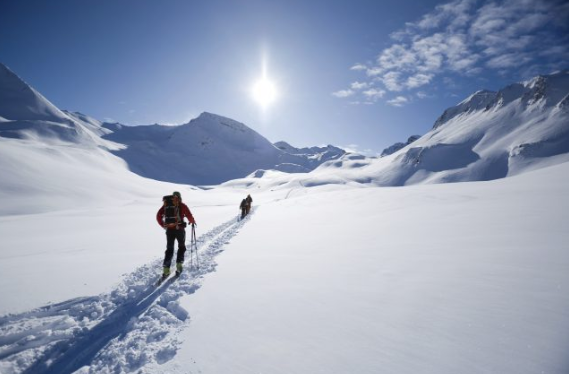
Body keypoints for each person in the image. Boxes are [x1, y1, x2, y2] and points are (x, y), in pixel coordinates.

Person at [156, 191, 196, 278]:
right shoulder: (182, 205)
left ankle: (166, 269)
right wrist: (192, 221)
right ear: (179, 197)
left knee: (169, 249)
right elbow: (189, 215)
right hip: (180, 230)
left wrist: (163, 225)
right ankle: (179, 265)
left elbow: (158, 215)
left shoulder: (166, 205)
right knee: (181, 247)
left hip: (169, 230)